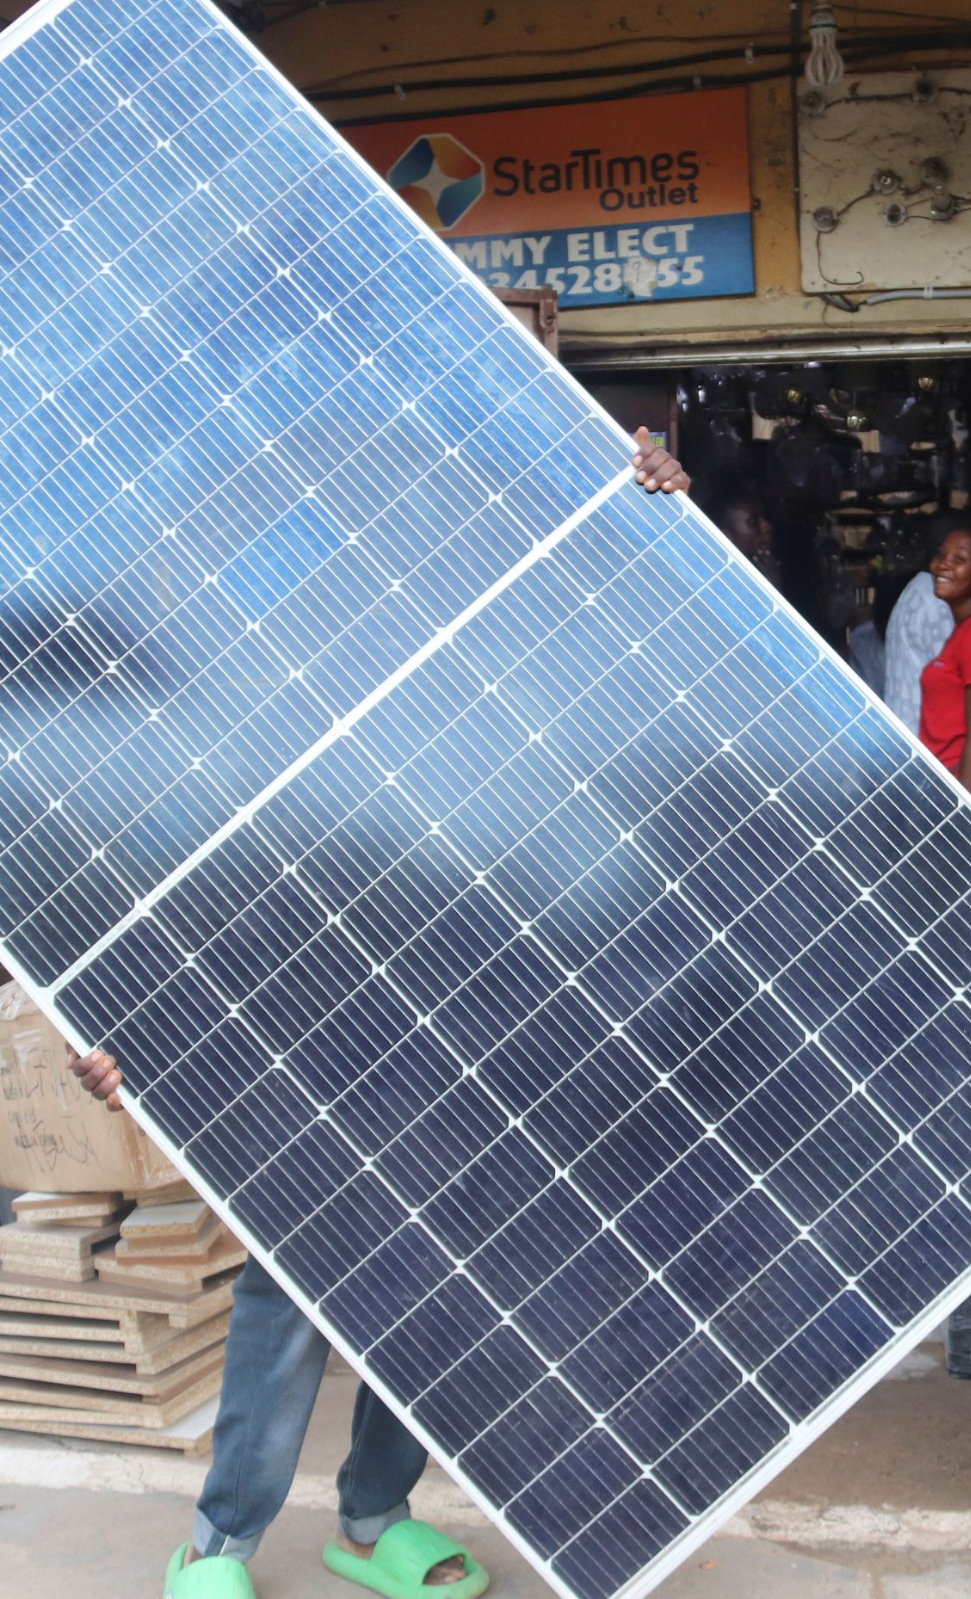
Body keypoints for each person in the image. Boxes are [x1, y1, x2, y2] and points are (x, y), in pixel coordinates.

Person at [79, 431, 690, 1599]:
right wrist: (112, 1025)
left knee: (432, 1284)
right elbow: (155, 885)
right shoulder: (232, 711)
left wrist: (645, 494)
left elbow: (594, 602)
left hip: (460, 1021)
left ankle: (371, 1517)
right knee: (293, 1294)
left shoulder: (479, 679)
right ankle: (219, 1545)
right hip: (300, 1037)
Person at [914, 514, 971, 819]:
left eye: (959, 559)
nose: (943, 565)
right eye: (941, 554)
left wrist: (963, 815)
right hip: (950, 785)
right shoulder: (965, 629)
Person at [880, 566, 953, 733]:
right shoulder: (936, 600)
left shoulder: (914, 591)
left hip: (903, 732)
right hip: (924, 737)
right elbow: (950, 679)